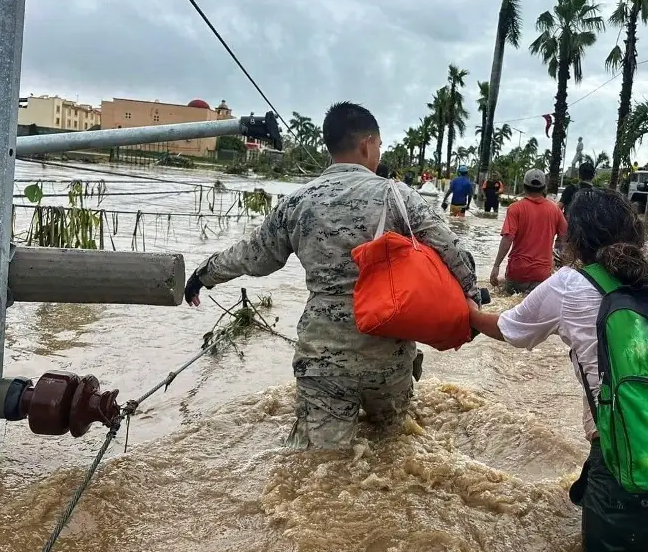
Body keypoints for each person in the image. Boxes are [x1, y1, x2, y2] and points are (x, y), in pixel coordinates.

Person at [467, 188, 648, 551]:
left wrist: (467, 311)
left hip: (627, 477)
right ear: (639, 232)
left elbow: (507, 329)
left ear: (573, 241)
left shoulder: (567, 287)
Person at [182, 102, 478, 449]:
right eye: (379, 145)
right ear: (367, 144)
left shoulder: (297, 202)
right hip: (388, 353)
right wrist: (471, 295)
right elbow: (455, 254)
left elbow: (255, 256)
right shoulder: (396, 196)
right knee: (394, 447)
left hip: (323, 356)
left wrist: (205, 274)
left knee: (320, 463)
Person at [490, 169, 567, 294]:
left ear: (524, 186)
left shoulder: (515, 208)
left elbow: (507, 238)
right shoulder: (555, 210)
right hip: (542, 274)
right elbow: (565, 236)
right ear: (544, 187)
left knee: (509, 306)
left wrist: (496, 265)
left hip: (518, 271)